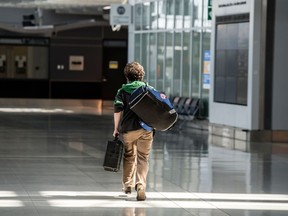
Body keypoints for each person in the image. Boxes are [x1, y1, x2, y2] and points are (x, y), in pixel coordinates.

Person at [113, 61, 154, 201]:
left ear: (127, 77)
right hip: (146, 129)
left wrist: (115, 129)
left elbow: (118, 110)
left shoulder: (122, 91)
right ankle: (141, 185)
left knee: (129, 156)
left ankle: (127, 185)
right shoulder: (148, 89)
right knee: (143, 158)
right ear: (141, 76)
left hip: (128, 130)